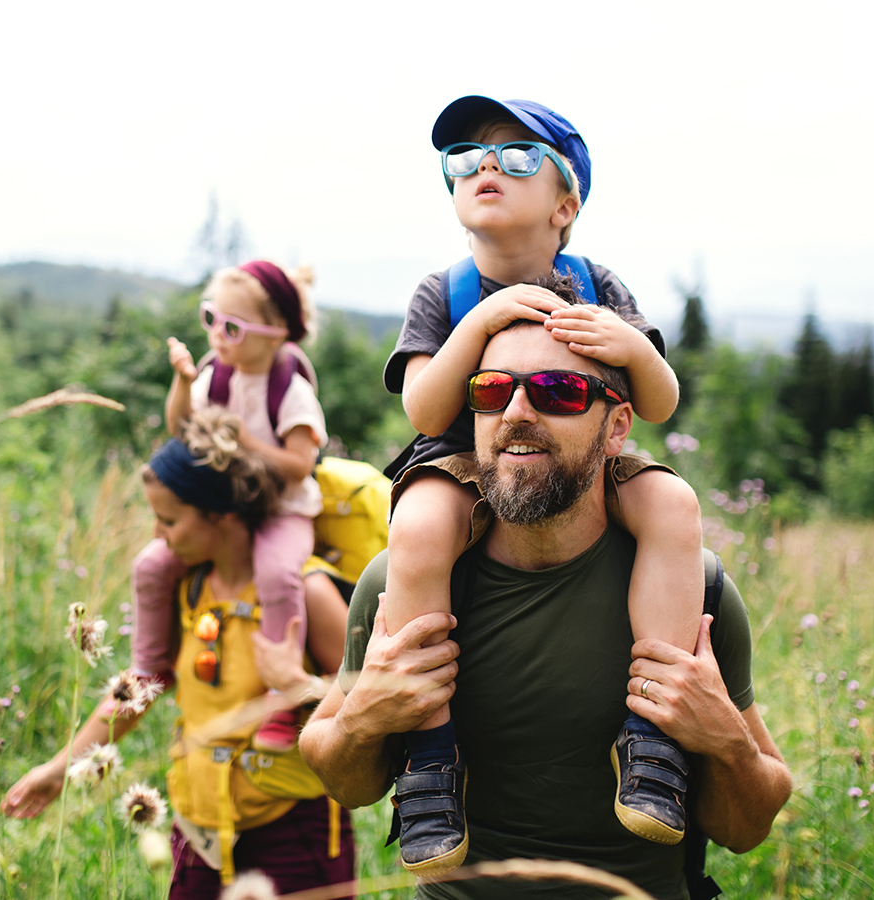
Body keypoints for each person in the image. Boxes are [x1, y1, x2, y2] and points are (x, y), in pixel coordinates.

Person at [300, 310, 792, 900]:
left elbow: (746, 828)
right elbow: (343, 780)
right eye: (491, 390)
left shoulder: (695, 591)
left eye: (560, 391)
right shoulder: (401, 583)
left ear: (617, 429)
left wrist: (726, 742)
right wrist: (363, 720)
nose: (515, 413)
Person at [380, 95, 706, 872]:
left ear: (566, 204)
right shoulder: (444, 292)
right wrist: (478, 331)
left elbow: (657, 404)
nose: (486, 165)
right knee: (419, 529)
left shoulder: (595, 283)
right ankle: (430, 758)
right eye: (465, 157)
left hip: (575, 452)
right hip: (462, 458)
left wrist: (630, 343)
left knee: (672, 501)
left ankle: (653, 735)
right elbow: (426, 408)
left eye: (517, 154)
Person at [3, 410, 355, 899]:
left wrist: (300, 684)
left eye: (169, 519)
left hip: (293, 830)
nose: (158, 534)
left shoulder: (308, 592)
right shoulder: (187, 588)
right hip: (198, 826)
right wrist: (60, 768)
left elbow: (370, 703)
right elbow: (139, 688)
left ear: (222, 515)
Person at [130, 260, 327, 754]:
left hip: (283, 509)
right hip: (227, 508)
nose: (218, 335)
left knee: (279, 574)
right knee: (152, 564)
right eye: (210, 319)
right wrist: (182, 382)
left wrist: (248, 443)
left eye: (233, 328)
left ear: (276, 333)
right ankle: (149, 668)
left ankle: (282, 696)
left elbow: (301, 465)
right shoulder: (215, 375)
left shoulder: (290, 389)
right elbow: (183, 427)